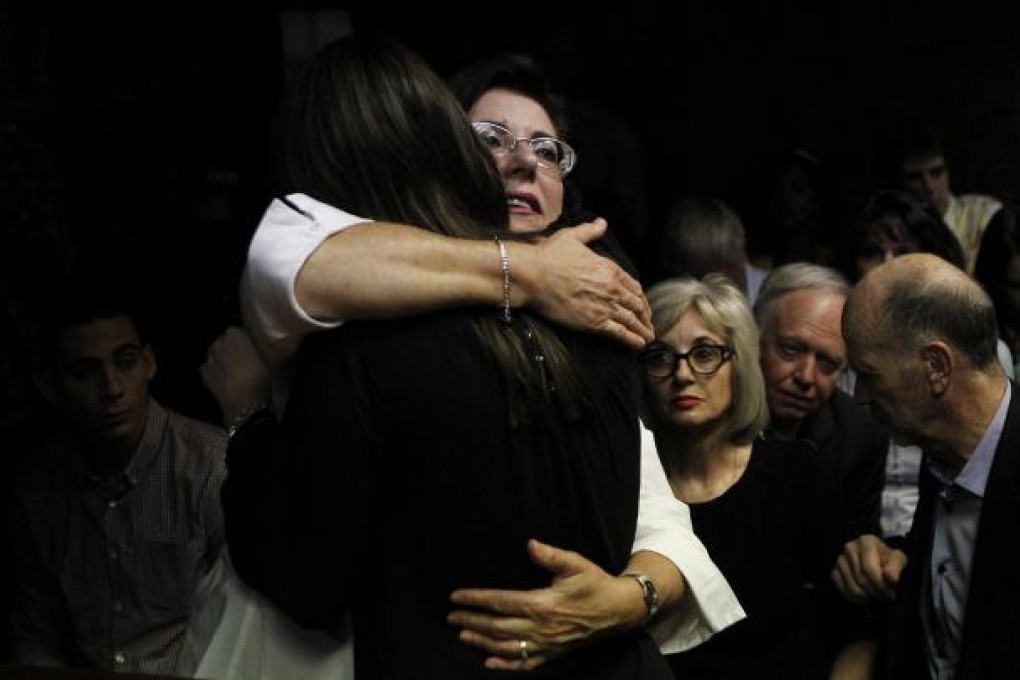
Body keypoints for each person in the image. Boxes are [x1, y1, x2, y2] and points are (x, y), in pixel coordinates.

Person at [203, 45, 743, 675]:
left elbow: (309, 581)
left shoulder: (596, 306)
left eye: (548, 150)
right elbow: (289, 256)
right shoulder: (374, 302)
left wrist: (627, 597)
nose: (522, 162)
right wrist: (531, 272)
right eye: (492, 138)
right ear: (448, 152)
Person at [6, 272, 227, 676]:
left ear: (149, 363)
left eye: (124, 362)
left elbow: (252, 630)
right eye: (85, 372)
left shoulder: (211, 466)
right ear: (49, 385)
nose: (112, 388)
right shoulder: (38, 489)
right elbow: (36, 636)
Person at [639, 274, 850, 678]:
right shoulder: (627, 484)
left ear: (739, 365)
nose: (683, 375)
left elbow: (851, 627)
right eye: (661, 357)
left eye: (704, 353)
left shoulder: (795, 474)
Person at [832, 253, 1020, 679]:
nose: (859, 395)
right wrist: (892, 557)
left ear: (935, 367)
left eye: (869, 374)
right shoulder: (945, 452)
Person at [753, 263, 888, 538]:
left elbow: (854, 548)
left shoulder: (860, 438)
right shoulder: (707, 412)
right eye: (791, 350)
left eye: (827, 362)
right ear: (754, 338)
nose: (806, 376)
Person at [884, 118, 1003, 274]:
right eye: (915, 178)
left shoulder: (983, 213)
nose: (928, 186)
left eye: (936, 173)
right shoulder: (892, 227)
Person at [650, 195, 767, 304]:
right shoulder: (671, 309)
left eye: (730, 268)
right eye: (710, 278)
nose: (723, 286)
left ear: (744, 256)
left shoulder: (770, 295)